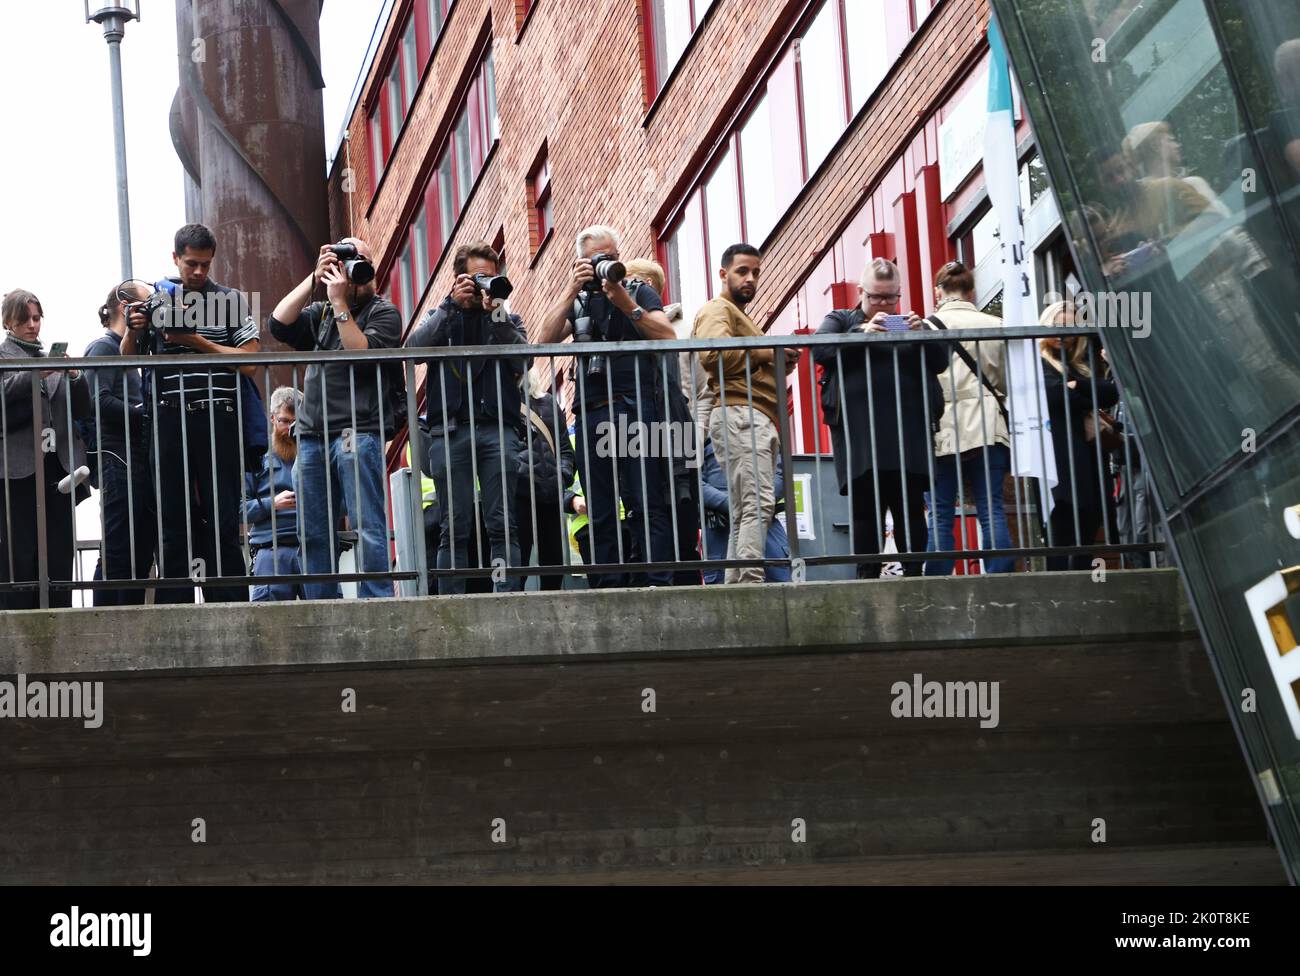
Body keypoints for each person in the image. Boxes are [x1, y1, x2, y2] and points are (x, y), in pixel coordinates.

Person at [122, 223, 261, 603]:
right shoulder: (158, 300)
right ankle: (175, 605)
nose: (198, 272)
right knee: (171, 517)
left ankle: (231, 604)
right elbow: (127, 360)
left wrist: (194, 341)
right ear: (175, 259)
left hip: (218, 416)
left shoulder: (230, 300)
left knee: (223, 516)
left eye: (205, 264)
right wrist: (136, 329)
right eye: (190, 264)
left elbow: (252, 361)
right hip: (168, 417)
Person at [539, 225, 676, 588]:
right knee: (599, 506)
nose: (606, 264)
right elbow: (544, 340)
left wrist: (625, 303)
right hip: (591, 411)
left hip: (634, 408)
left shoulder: (637, 290)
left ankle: (658, 583)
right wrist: (571, 289)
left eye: (612, 257)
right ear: (581, 262)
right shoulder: (580, 300)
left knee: (645, 498)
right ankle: (607, 587)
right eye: (597, 259)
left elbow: (666, 335)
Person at [269, 238, 402, 600]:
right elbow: (279, 323)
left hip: (357, 432)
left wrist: (341, 303)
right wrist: (315, 279)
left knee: (368, 526)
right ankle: (322, 603)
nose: (356, 268)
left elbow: (361, 355)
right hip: (311, 434)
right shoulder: (321, 311)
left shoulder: (383, 312)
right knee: (313, 531)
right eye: (347, 261)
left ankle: (377, 600)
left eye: (363, 261)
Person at [405, 241, 527, 594]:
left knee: (502, 523)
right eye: (477, 277)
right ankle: (451, 603)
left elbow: (523, 360)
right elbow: (413, 351)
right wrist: (450, 305)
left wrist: (497, 314)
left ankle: (505, 595)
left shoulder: (505, 319)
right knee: (453, 526)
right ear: (460, 278)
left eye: (490, 277)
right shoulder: (441, 318)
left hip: (497, 430)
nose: (484, 284)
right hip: (450, 431)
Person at [815, 258, 946, 579]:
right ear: (861, 291)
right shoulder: (842, 320)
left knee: (911, 507)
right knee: (865, 509)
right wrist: (861, 333)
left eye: (891, 297)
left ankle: (915, 573)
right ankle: (866, 577)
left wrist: (920, 333)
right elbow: (819, 349)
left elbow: (941, 360)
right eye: (876, 297)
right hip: (861, 437)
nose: (884, 305)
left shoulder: (914, 325)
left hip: (908, 434)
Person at [692, 243, 792, 584]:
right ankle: (748, 583)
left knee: (748, 508)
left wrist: (776, 361)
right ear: (723, 274)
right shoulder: (717, 309)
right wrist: (765, 353)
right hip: (740, 414)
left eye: (755, 273)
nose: (750, 279)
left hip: (749, 414)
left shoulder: (736, 315)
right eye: (742, 271)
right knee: (757, 504)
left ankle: (738, 583)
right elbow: (713, 356)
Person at [922, 260, 1014, 576]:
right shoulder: (995, 324)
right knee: (991, 509)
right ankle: (999, 575)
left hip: (941, 426)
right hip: (987, 421)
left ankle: (937, 579)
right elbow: (1003, 379)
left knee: (941, 513)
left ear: (938, 290)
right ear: (970, 290)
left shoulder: (925, 326)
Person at [0, 290, 91, 609]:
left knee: (60, 545)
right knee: (21, 547)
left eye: (36, 318)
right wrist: (37, 373)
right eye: (24, 318)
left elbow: (83, 408)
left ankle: (59, 610)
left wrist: (75, 375)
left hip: (58, 463)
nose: (32, 325)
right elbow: (5, 391)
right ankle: (21, 615)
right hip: (18, 466)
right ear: (8, 322)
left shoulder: (49, 355)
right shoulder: (5, 355)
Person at [624, 257, 702, 586]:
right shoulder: (622, 329)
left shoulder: (684, 327)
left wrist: (700, 432)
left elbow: (703, 388)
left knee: (682, 505)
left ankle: (685, 580)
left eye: (633, 281)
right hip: (640, 425)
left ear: (650, 286)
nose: (626, 287)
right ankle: (653, 578)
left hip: (679, 426)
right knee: (645, 502)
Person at [83, 283, 157, 604]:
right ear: (126, 305)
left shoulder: (133, 349)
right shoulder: (103, 347)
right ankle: (105, 626)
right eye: (147, 301)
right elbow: (96, 402)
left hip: (134, 458)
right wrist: (142, 413)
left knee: (139, 549)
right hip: (117, 458)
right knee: (119, 550)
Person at [1038, 301, 1119, 570]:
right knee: (1065, 511)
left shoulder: (1081, 364)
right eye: (1058, 326)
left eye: (1070, 328)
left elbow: (1110, 393)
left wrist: (1078, 385)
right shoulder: (1039, 362)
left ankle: (1080, 572)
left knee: (1091, 511)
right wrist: (1083, 394)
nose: (1064, 333)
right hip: (1060, 449)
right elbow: (1056, 397)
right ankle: (1058, 577)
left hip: (1089, 450)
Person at [515, 363, 576, 590]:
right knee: (517, 562)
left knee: (555, 562)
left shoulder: (550, 403)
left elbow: (565, 449)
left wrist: (562, 476)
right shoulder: (502, 404)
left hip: (549, 492)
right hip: (519, 493)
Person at [699, 437, 790, 584]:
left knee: (780, 590)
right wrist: (731, 504)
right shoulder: (698, 430)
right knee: (723, 597)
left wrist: (753, 505)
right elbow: (691, 480)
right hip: (721, 527)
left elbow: (780, 475)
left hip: (766, 526)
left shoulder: (762, 423)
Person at [243, 386, 303, 601]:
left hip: (313, 546)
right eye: (284, 421)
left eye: (297, 423)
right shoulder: (256, 454)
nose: (290, 429)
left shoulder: (317, 452)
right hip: (270, 550)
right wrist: (272, 503)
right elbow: (238, 509)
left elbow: (343, 504)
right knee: (267, 627)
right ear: (272, 418)